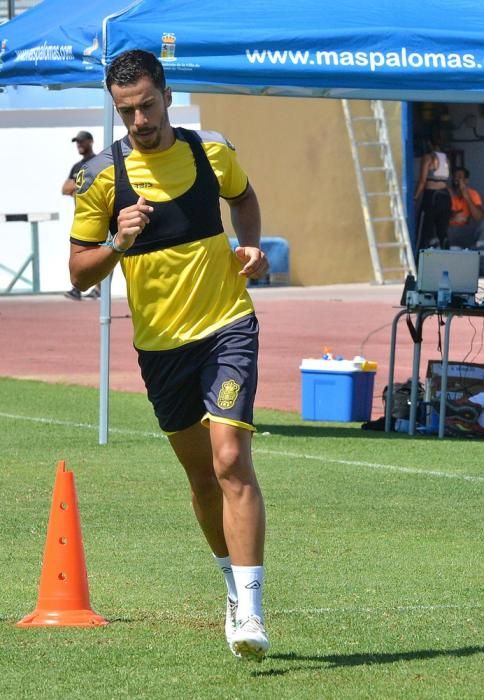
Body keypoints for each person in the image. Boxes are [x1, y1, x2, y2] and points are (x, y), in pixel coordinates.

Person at [67, 49, 270, 661]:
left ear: (167, 97)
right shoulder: (100, 177)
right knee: (202, 475)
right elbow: (78, 274)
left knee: (230, 457)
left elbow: (245, 197)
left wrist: (253, 246)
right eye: (126, 111)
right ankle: (229, 584)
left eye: (147, 106)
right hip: (160, 348)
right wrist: (119, 242)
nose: (138, 121)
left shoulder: (211, 150)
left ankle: (251, 608)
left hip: (227, 325)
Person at [62, 131, 100, 300]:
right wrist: (82, 187)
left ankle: (99, 289)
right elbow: (65, 188)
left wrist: (78, 188)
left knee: (100, 252)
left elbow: (100, 187)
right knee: (80, 253)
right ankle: (77, 289)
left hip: (98, 215)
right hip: (81, 217)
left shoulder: (99, 162)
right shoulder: (77, 167)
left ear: (90, 142)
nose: (79, 145)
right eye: (77, 142)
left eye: (82, 142)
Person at [414, 141, 451, 252]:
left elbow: (422, 181)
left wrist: (415, 197)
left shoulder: (429, 157)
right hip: (445, 196)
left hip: (432, 196)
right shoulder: (446, 160)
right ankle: (446, 255)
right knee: (442, 230)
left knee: (425, 229)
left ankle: (421, 259)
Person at [447, 167, 484, 249]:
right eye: (455, 177)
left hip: (468, 231)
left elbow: (479, 217)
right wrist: (452, 219)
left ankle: (478, 250)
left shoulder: (473, 194)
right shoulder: (447, 194)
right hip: (452, 231)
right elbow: (442, 219)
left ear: (466, 180)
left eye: (460, 177)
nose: (456, 180)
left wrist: (466, 196)